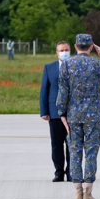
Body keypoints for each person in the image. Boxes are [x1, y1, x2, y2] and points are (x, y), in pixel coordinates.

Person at [57, 34, 100, 199]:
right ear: (91, 46)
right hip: (93, 116)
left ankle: (78, 192)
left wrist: (61, 112)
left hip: (73, 115)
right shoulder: (96, 64)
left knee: (75, 152)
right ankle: (88, 192)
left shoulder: (67, 64)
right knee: (91, 153)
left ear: (75, 46)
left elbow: (63, 91)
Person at [39, 41, 72, 182]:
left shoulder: (75, 66)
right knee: (56, 144)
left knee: (72, 144)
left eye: (66, 50)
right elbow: (44, 90)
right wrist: (44, 110)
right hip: (54, 112)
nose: (64, 52)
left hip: (72, 112)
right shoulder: (49, 68)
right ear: (56, 52)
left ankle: (71, 171)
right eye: (61, 50)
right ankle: (59, 172)